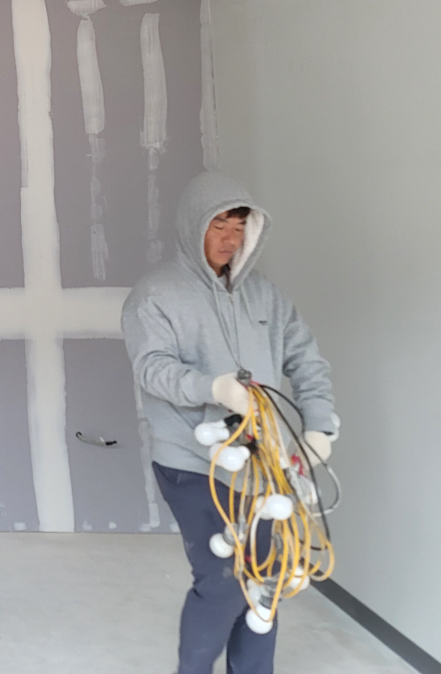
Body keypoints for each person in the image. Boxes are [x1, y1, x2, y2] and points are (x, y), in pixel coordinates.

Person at [122, 172, 336, 674]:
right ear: (194, 226)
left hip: (262, 462)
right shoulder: (156, 294)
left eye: (240, 228)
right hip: (192, 461)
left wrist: (319, 426)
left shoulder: (264, 296)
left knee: (263, 578)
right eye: (219, 225)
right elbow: (152, 368)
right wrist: (212, 388)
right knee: (221, 581)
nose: (230, 239)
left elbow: (306, 359)